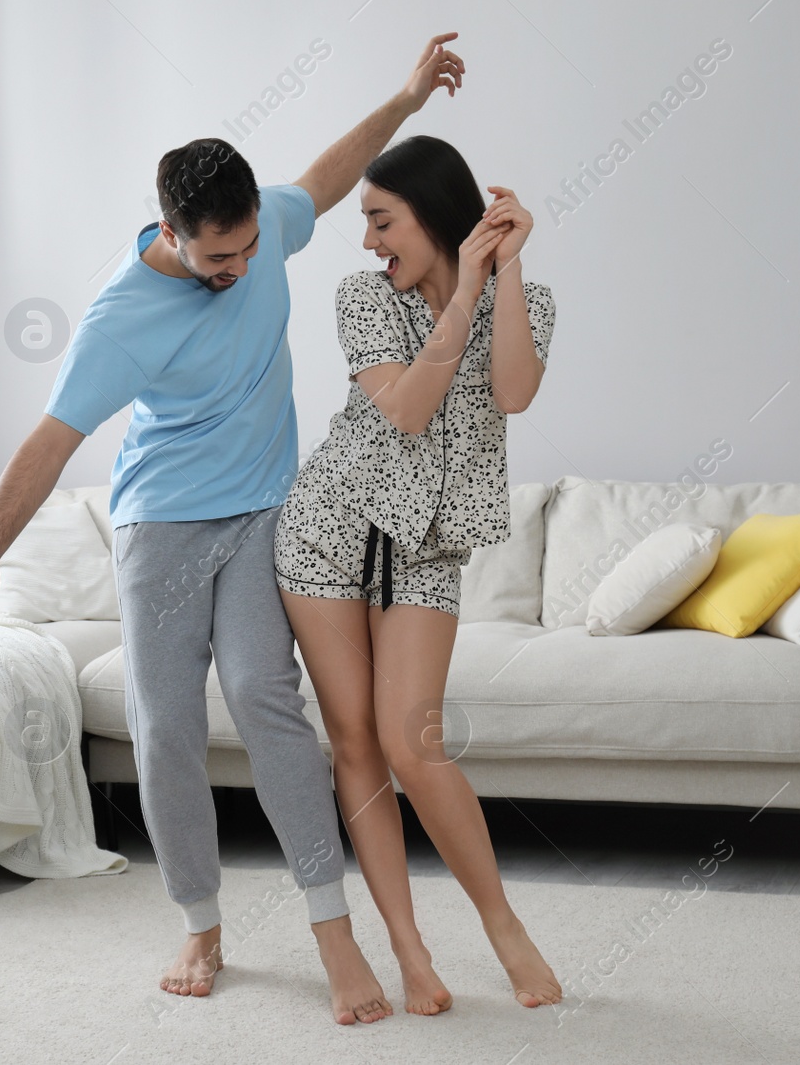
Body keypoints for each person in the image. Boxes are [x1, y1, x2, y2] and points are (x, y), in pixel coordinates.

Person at [0, 34, 472, 1027]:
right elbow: (50, 442)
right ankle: (199, 918)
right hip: (163, 526)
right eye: (216, 256)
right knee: (168, 723)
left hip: (264, 507)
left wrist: (404, 97)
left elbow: (328, 169)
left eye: (244, 249)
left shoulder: (264, 226)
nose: (236, 267)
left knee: (269, 701)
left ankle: (332, 930)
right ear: (172, 232)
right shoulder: (119, 319)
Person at [271, 134, 564, 1014]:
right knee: (355, 741)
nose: (366, 240)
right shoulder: (363, 297)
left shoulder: (530, 298)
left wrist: (499, 273)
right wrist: (462, 290)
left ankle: (503, 924)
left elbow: (511, 391)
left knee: (413, 742)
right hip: (327, 531)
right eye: (364, 220)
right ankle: (408, 949)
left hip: (428, 548)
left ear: (434, 216)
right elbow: (403, 408)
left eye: (379, 219)